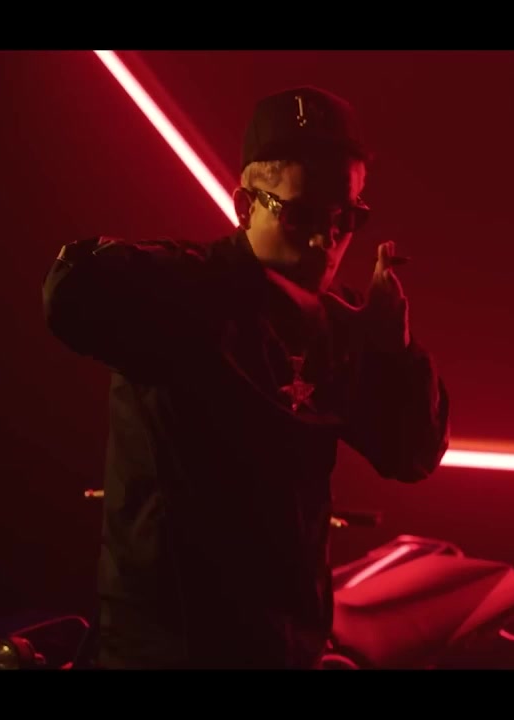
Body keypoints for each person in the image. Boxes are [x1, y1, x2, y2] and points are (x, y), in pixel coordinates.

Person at [42, 86, 451, 669]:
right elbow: (72, 293)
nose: (326, 240)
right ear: (244, 205)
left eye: (347, 218)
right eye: (302, 215)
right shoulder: (188, 294)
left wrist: (395, 347)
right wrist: (235, 294)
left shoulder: (341, 322)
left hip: (287, 650)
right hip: (165, 655)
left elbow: (412, 453)